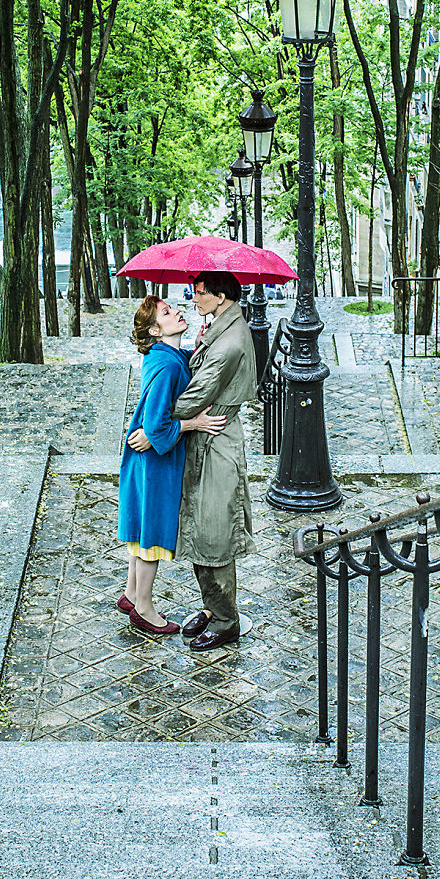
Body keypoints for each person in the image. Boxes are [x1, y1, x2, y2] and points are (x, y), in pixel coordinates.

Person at [129, 271, 257, 652]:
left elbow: (195, 395)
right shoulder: (220, 327)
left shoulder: (229, 342)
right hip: (203, 439)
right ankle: (213, 608)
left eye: (198, 293)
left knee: (214, 531)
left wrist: (161, 427)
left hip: (215, 442)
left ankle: (225, 619)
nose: (192, 299)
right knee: (203, 529)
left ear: (219, 296)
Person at [118, 295, 226, 636]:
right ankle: (145, 608)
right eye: (167, 312)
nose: (178, 310)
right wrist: (195, 424)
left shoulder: (164, 356)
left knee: (140, 532)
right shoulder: (165, 365)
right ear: (155, 329)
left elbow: (178, 368)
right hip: (156, 465)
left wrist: (196, 349)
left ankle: (131, 593)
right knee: (152, 535)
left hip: (144, 461)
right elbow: (158, 426)